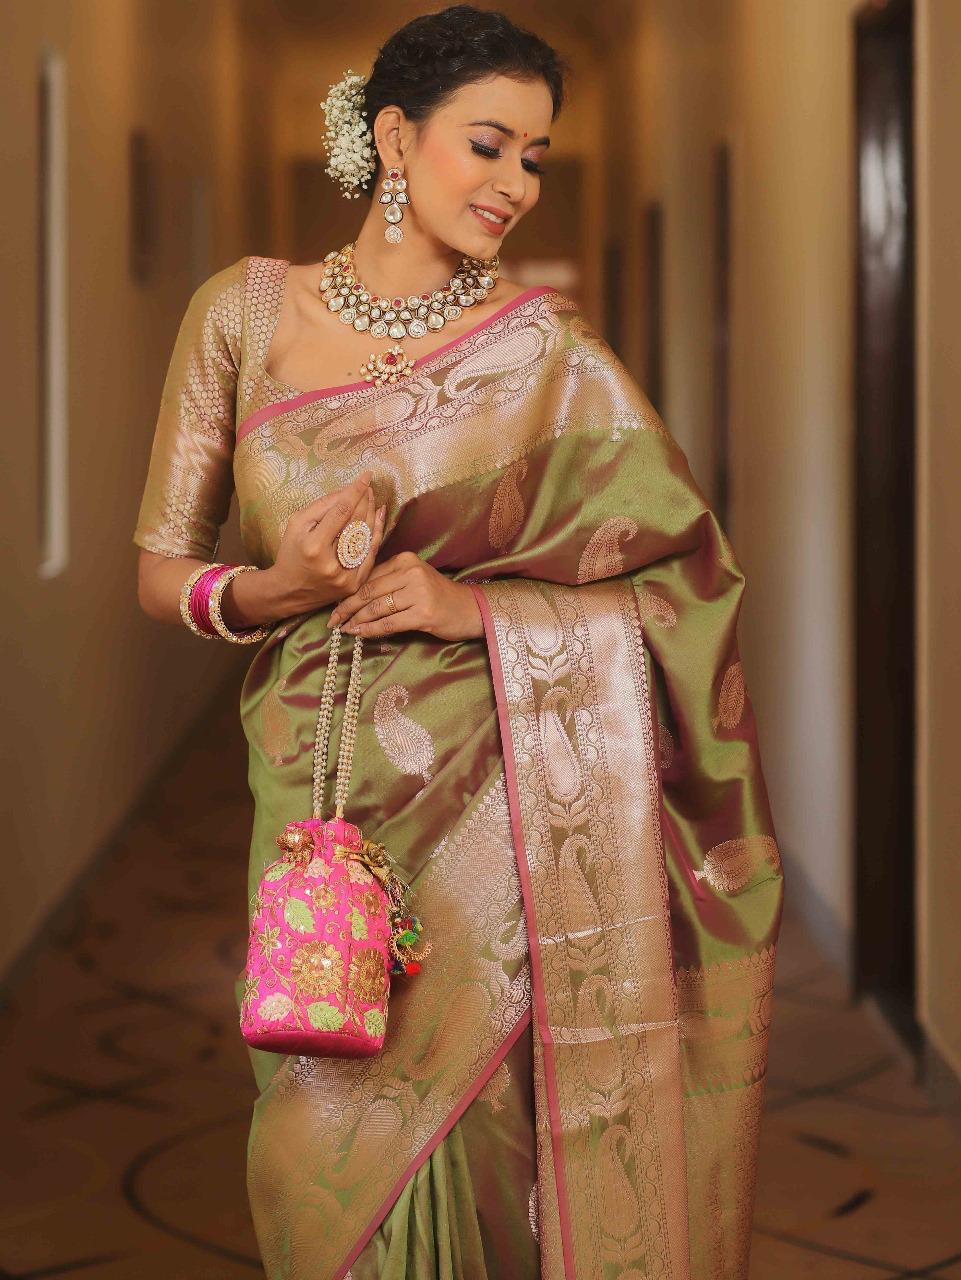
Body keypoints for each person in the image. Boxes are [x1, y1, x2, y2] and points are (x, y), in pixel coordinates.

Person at [133, 6, 784, 1277]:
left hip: (511, 805)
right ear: (393, 135)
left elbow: (685, 576)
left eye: (533, 157)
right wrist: (272, 587)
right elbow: (160, 568)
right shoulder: (243, 316)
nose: (514, 183)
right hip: (319, 794)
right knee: (314, 1142)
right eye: (488, 145)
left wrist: (473, 610)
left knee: (491, 1138)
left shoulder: (551, 353)